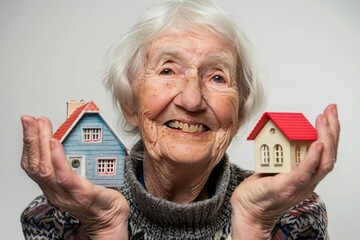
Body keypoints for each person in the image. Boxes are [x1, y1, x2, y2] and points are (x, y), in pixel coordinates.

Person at [20, 0, 340, 239]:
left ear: (239, 115)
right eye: (168, 70)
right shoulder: (62, 212)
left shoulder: (293, 211)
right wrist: (103, 227)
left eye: (216, 77)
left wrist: (253, 225)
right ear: (131, 105)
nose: (191, 99)